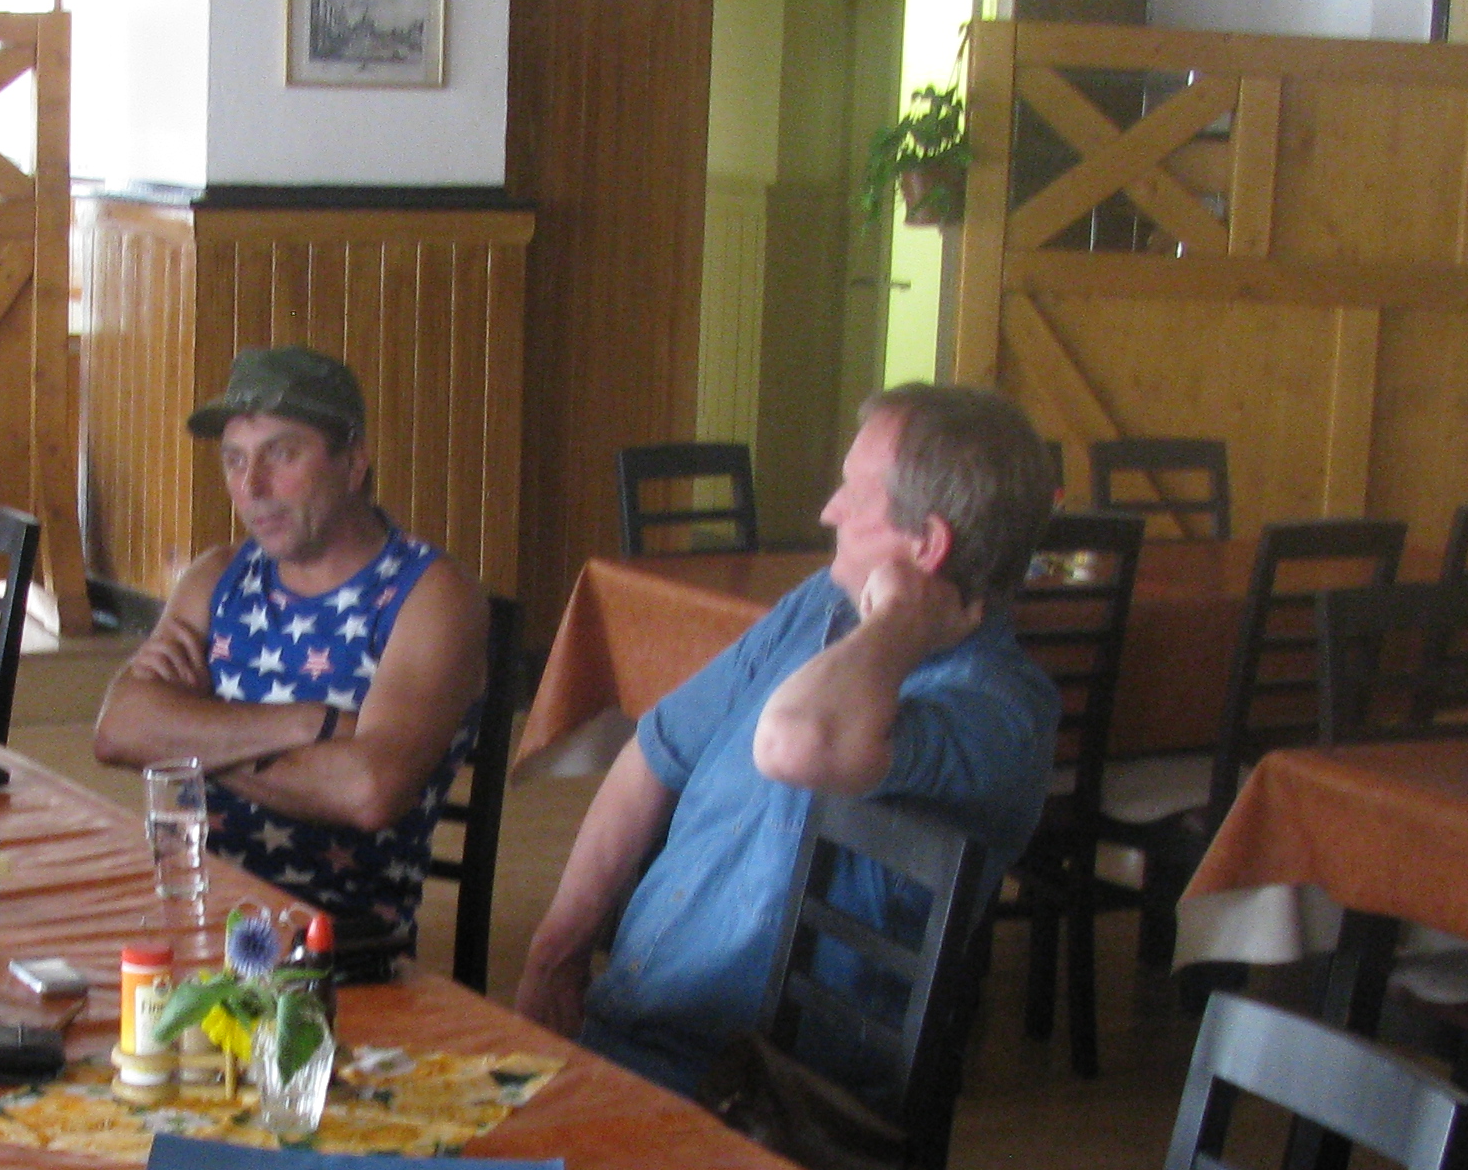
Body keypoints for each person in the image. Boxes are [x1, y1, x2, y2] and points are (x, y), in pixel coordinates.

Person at [515, 383, 1060, 1099]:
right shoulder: (819, 608)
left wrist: (898, 624)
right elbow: (655, 753)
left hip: (760, 1099)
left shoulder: (998, 710)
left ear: (926, 546)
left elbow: (796, 743)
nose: (829, 511)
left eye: (853, 495)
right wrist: (557, 951)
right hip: (633, 1031)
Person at [92, 345, 489, 939]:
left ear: (353, 462)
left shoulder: (431, 594)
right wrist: (312, 723)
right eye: (234, 460)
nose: (252, 486)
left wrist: (187, 736)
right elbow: (118, 729)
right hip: (187, 908)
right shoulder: (215, 577)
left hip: (333, 941)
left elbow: (368, 792)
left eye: (281, 454)